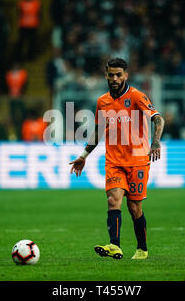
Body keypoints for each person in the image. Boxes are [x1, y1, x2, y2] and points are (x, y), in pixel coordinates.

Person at [69, 58, 165, 260]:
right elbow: (97, 131)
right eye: (111, 74)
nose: (114, 78)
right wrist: (83, 155)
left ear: (126, 75)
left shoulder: (137, 96)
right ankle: (115, 245)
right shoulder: (102, 101)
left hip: (138, 160)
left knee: (134, 208)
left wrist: (155, 142)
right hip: (113, 161)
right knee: (113, 201)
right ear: (106, 75)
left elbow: (158, 118)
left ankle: (142, 249)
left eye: (118, 75)